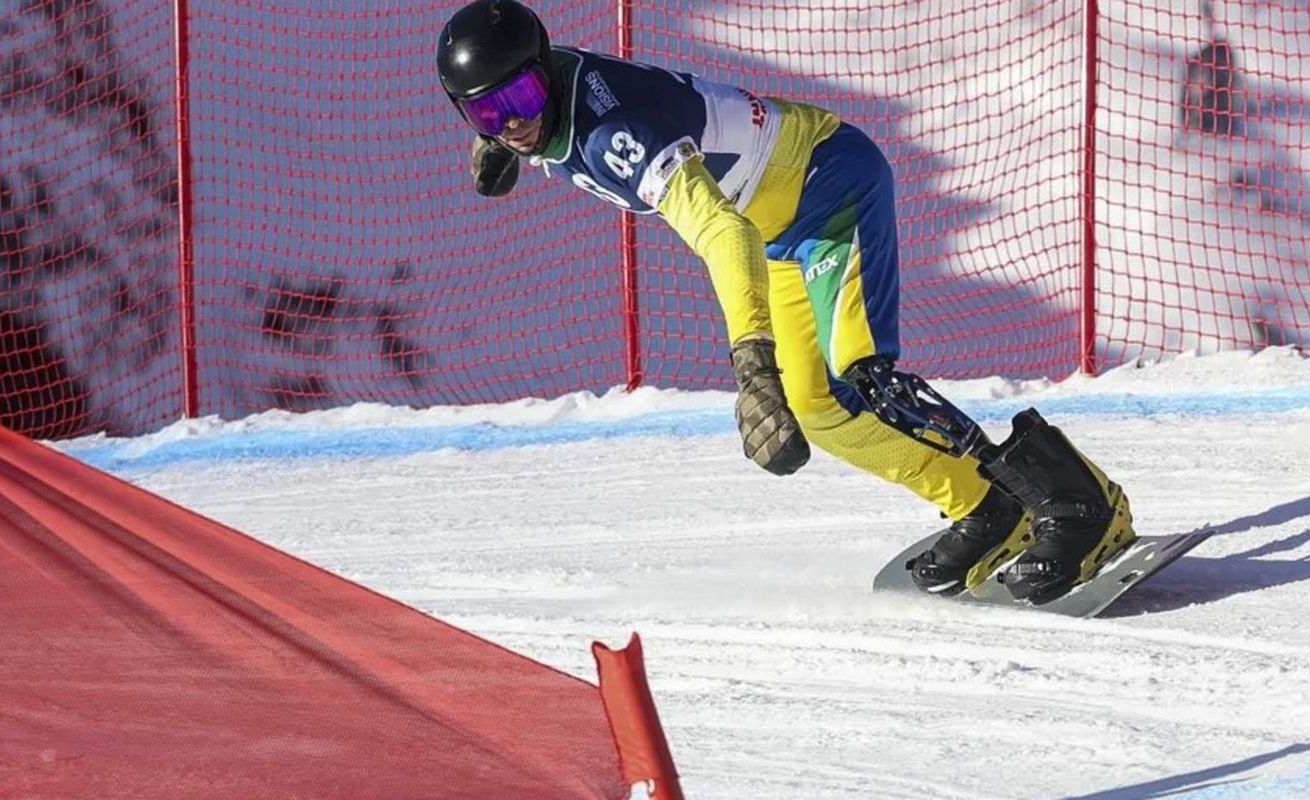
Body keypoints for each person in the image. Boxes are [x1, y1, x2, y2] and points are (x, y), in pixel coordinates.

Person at [435, 0, 1135, 604]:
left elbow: (721, 229)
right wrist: (506, 137)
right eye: (486, 111)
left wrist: (751, 366)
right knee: (821, 408)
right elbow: (526, 101)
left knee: (867, 376)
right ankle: (984, 506)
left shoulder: (616, 134)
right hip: (785, 232)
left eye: (521, 100)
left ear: (544, 74)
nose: (512, 122)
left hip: (831, 187)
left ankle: (1075, 503)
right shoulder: (546, 98)